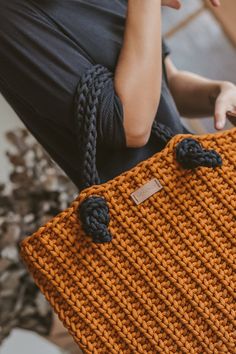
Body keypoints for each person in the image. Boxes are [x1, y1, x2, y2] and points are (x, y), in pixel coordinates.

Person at [0, 0, 235, 353]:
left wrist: (218, 91)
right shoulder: (11, 19)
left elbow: (166, 81)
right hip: (150, 247)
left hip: (204, 193)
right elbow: (130, 124)